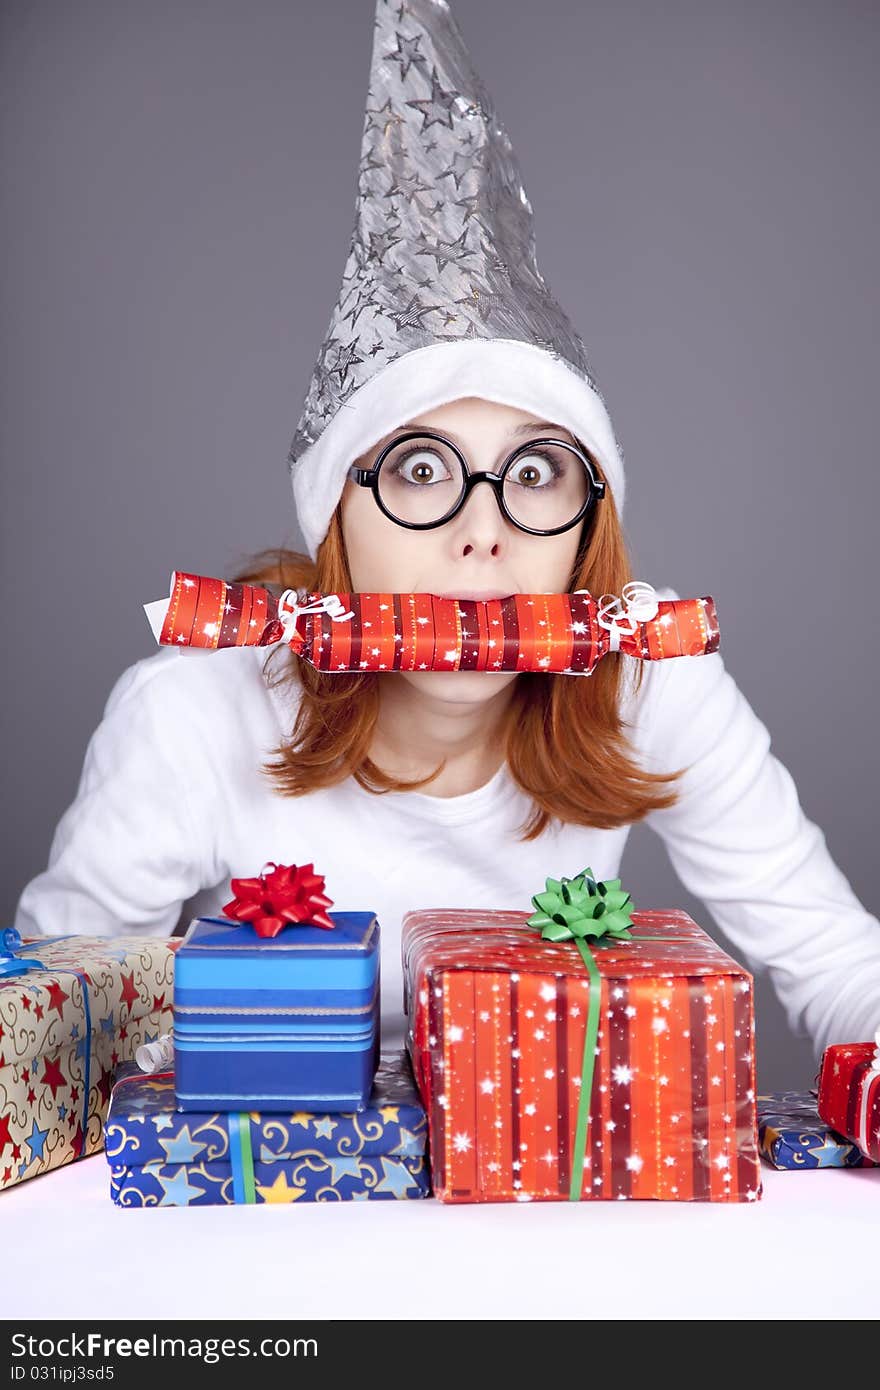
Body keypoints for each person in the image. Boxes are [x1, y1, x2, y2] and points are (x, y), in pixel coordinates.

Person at [15, 0, 880, 1063]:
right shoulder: (199, 702)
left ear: (586, 521)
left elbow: (840, 963)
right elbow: (56, 1039)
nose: (482, 534)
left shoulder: (652, 676)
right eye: (421, 470)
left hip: (531, 1199)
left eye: (535, 472)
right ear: (338, 511)